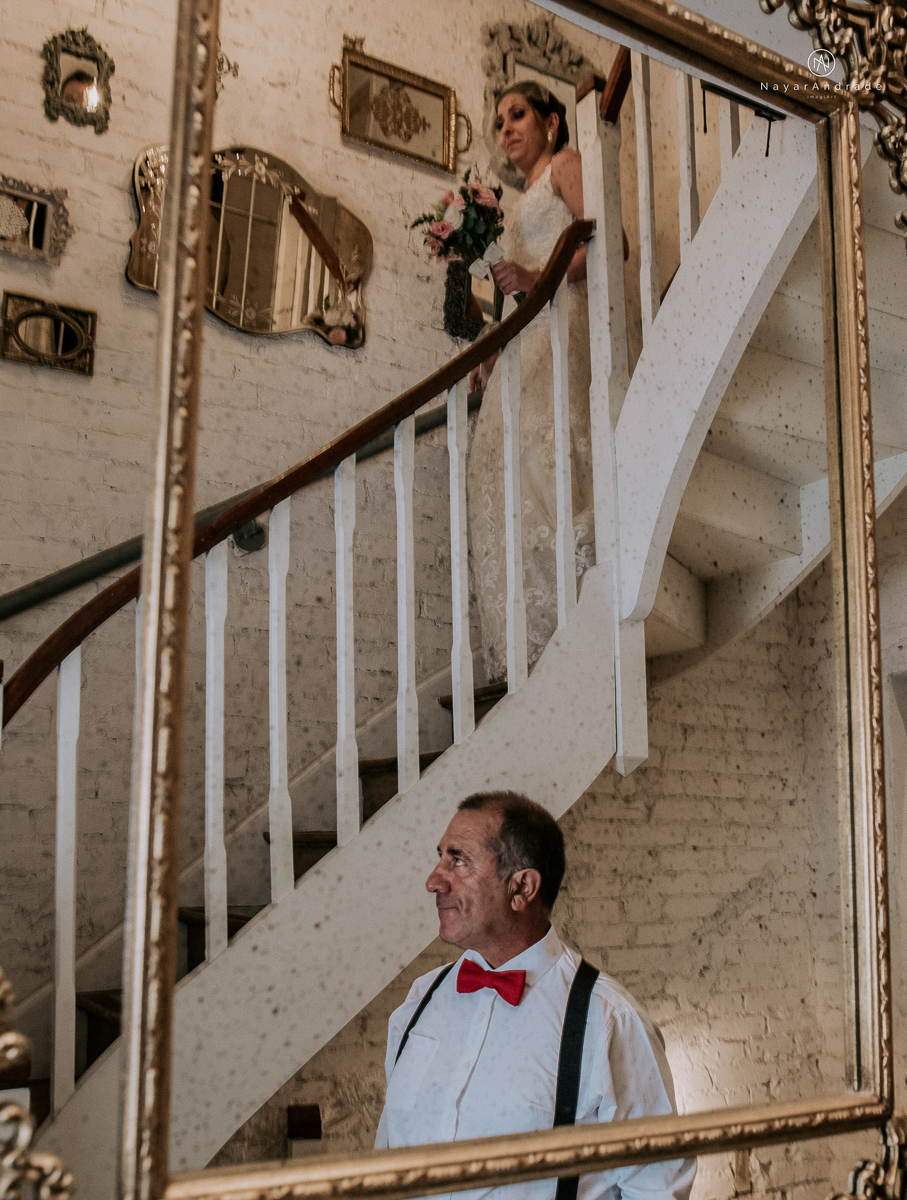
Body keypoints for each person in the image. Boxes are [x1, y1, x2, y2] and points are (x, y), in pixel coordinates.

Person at [375, 792, 697, 1200]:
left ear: (522, 887)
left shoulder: (608, 1019)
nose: (434, 880)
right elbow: (386, 1159)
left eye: (458, 860)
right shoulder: (421, 1000)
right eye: (441, 857)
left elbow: (657, 1188)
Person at [467, 82, 595, 684]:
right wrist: (489, 355)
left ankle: (580, 612)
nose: (506, 129)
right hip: (525, 339)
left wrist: (535, 274)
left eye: (517, 115)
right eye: (498, 122)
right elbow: (513, 292)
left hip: (563, 326)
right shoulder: (511, 208)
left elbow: (604, 244)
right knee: (504, 465)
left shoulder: (566, 166)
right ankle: (533, 638)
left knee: (549, 454)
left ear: (550, 121)